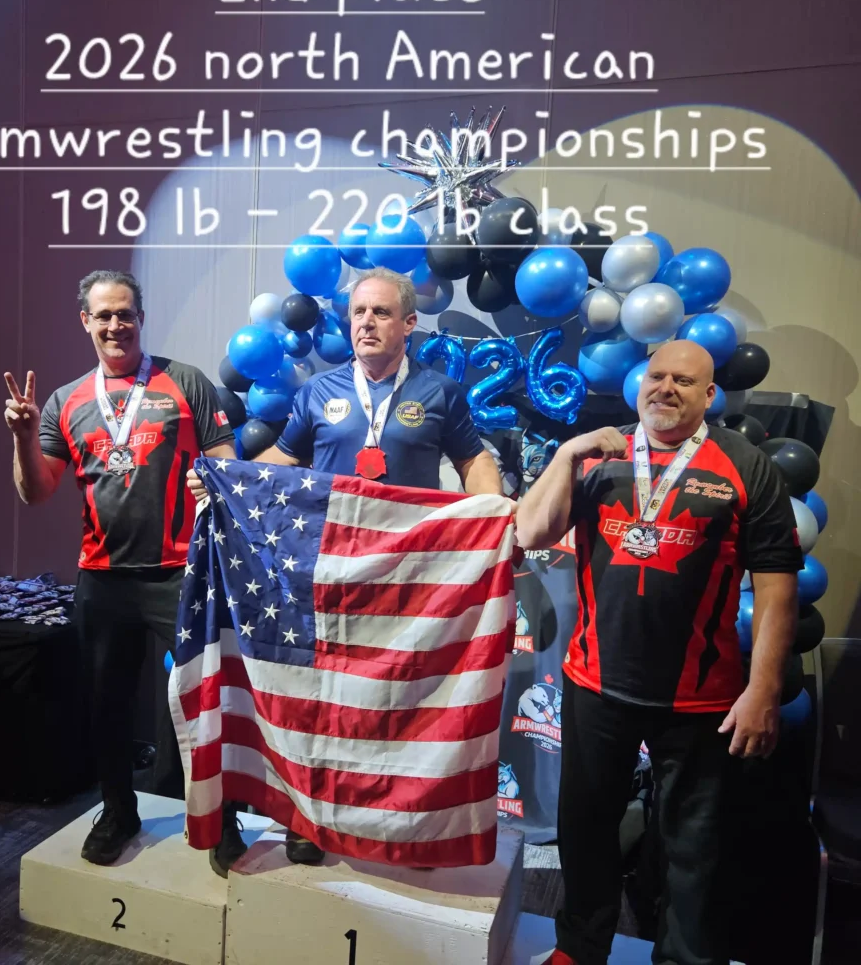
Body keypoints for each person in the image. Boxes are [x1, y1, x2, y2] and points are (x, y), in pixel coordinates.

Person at [188, 266, 504, 868]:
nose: (367, 323)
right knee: (325, 701)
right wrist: (224, 481)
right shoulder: (317, 392)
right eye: (359, 312)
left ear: (408, 324)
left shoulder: (439, 391)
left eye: (381, 313)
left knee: (400, 700)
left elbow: (473, 463)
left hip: (408, 579)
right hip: (329, 578)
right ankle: (311, 820)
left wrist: (495, 512)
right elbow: (281, 462)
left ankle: (405, 824)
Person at [513, 339, 802, 965]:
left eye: (684, 381)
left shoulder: (745, 466)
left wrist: (763, 690)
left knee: (695, 849)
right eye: (657, 376)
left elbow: (778, 588)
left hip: (701, 697)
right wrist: (565, 453)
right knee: (585, 831)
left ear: (709, 394)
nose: (666, 389)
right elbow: (530, 531)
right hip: (595, 684)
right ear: (640, 384)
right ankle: (578, 948)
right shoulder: (599, 455)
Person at [4, 269, 235, 866]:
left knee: (210, 700)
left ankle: (223, 817)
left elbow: (227, 463)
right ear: (85, 321)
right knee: (106, 705)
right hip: (103, 578)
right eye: (103, 315)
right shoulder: (65, 401)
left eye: (125, 313)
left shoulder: (185, 382)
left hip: (182, 573)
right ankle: (117, 810)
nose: (115, 325)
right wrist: (24, 437)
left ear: (141, 318)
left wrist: (211, 481)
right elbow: (36, 491)